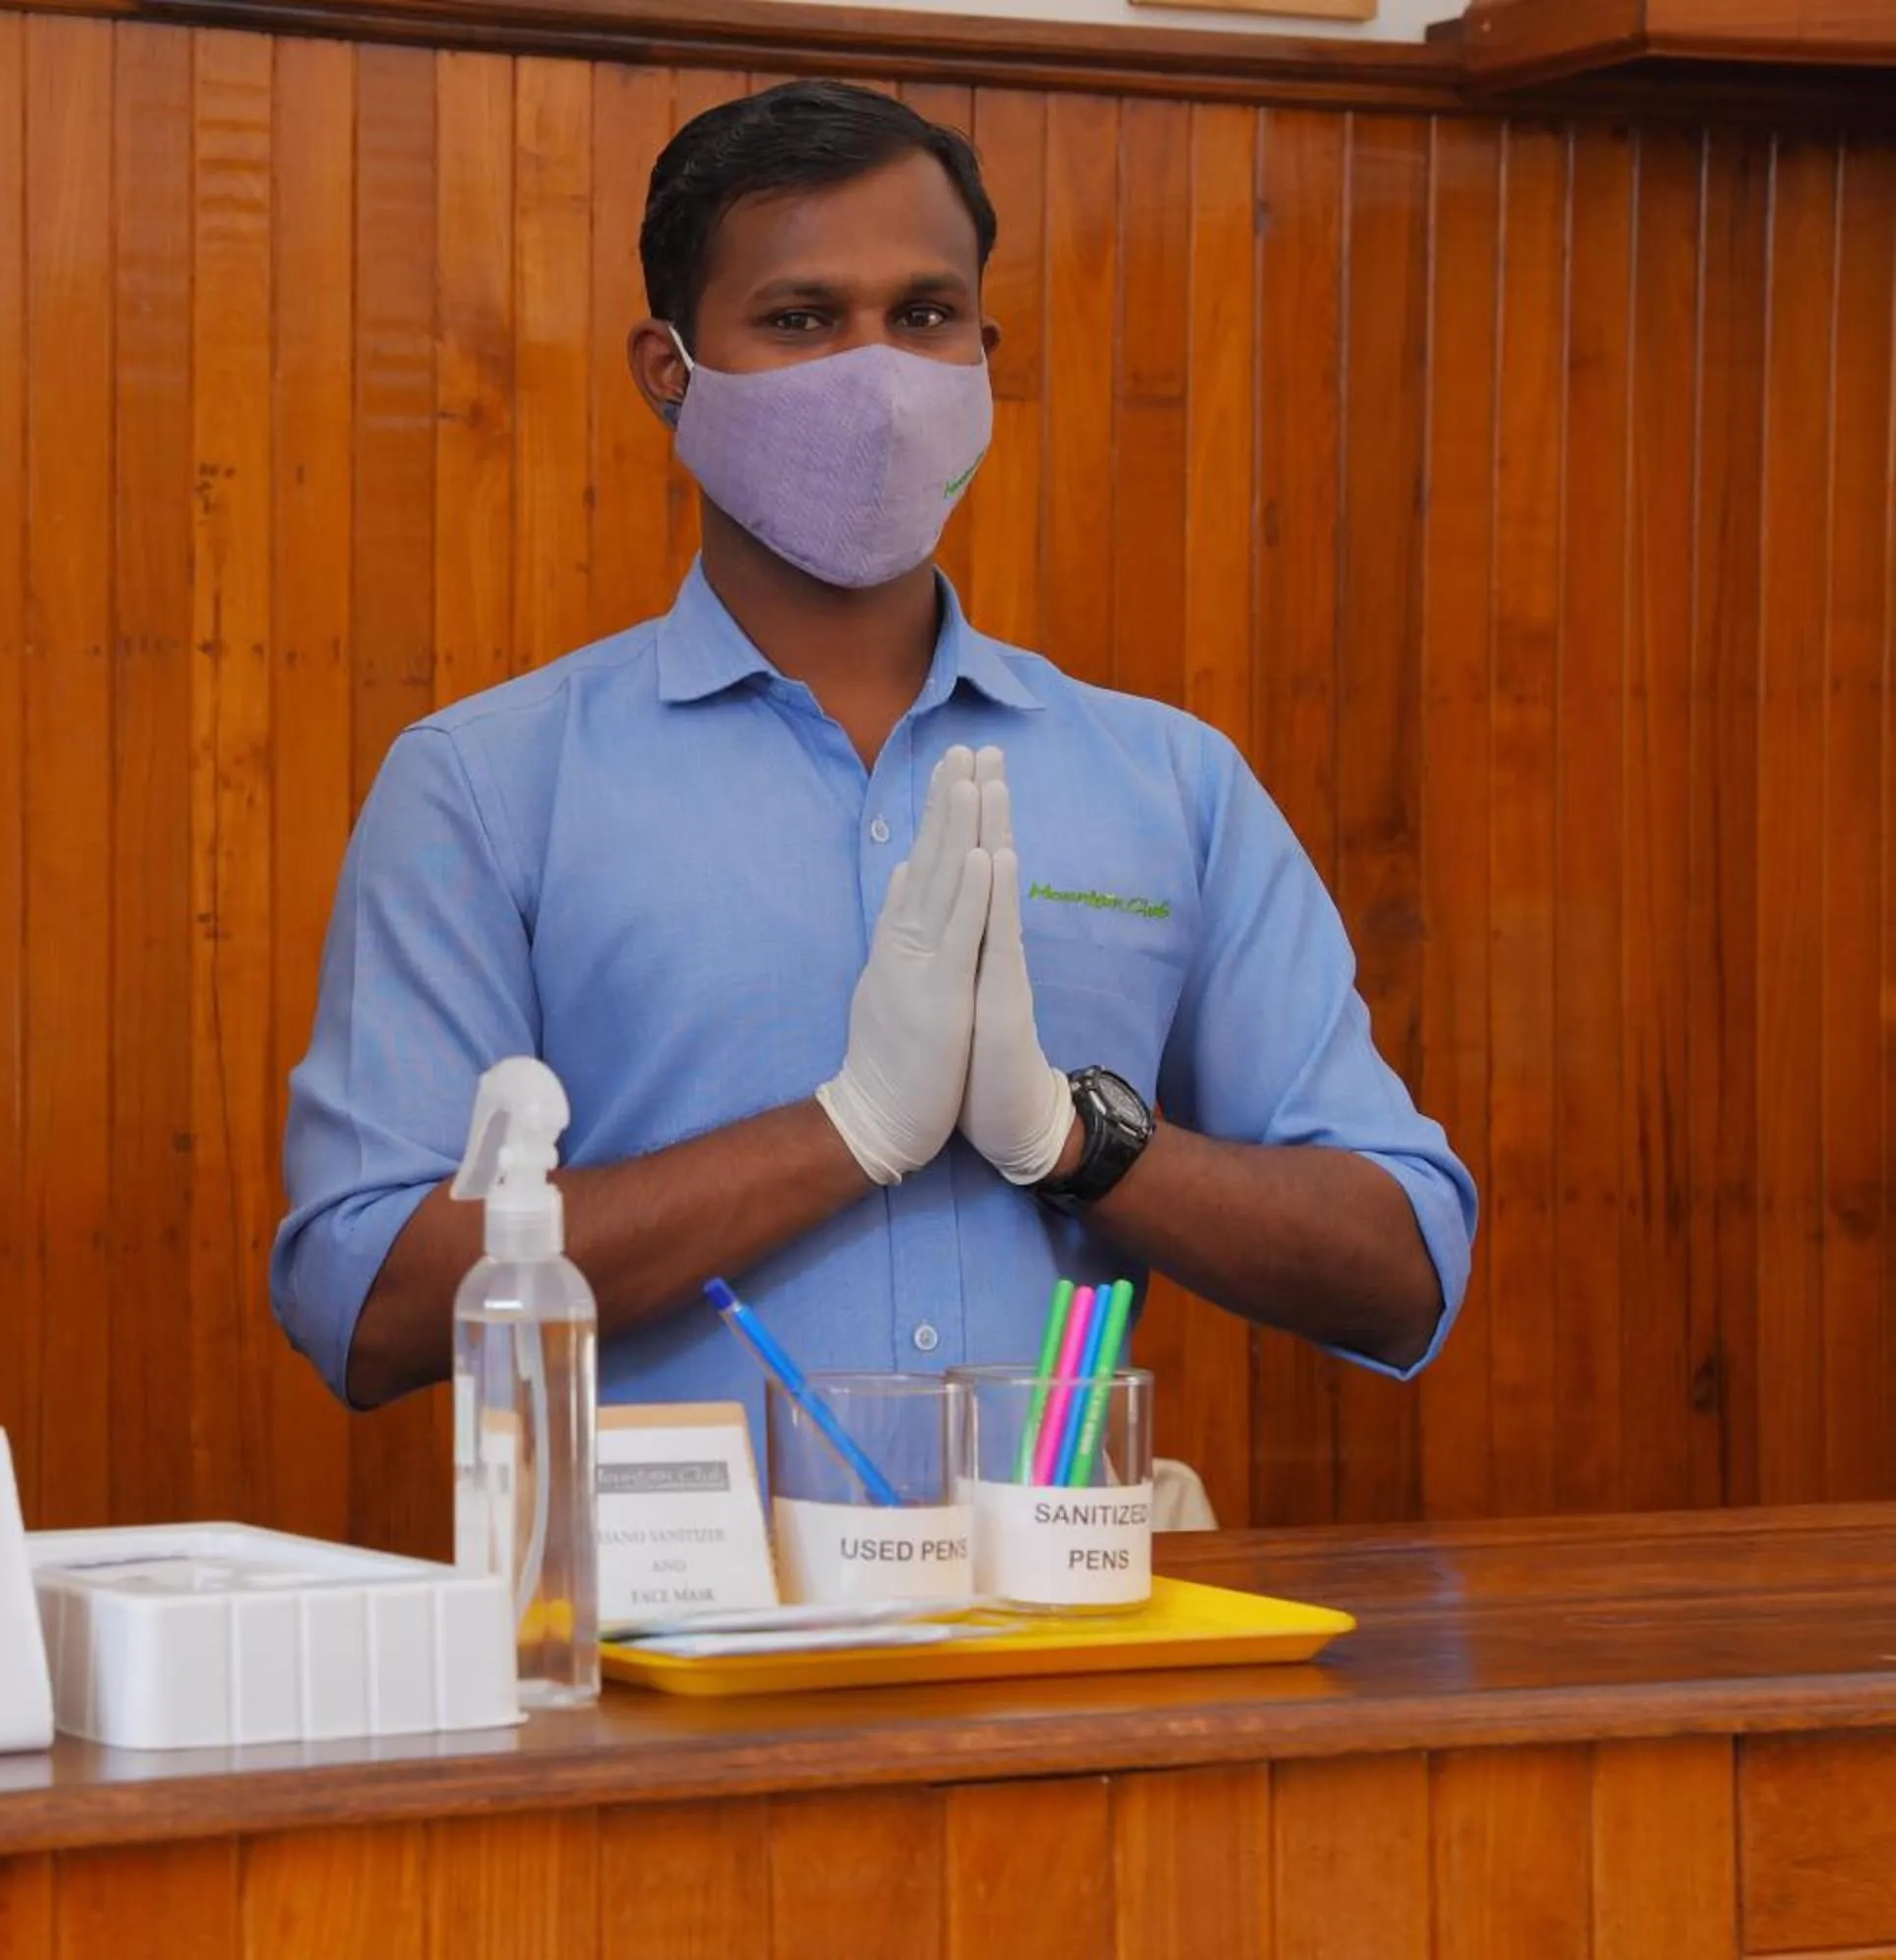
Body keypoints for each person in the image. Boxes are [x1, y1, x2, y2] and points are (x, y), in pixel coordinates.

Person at [270, 79, 1476, 1425]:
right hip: (662, 1571)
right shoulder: (489, 786)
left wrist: (1073, 1137)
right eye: (801, 318)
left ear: (982, 352)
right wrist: (842, 1131)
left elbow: (1404, 1267)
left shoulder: (1172, 786)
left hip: (1049, 1564)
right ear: (670, 369)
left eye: (924, 316)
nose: (878, 377)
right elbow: (363, 1296)